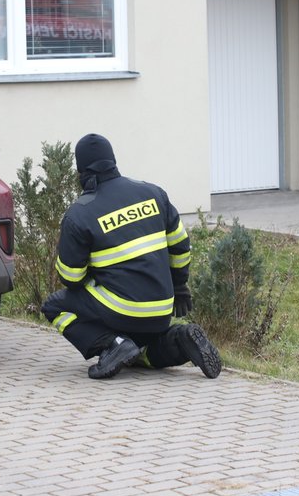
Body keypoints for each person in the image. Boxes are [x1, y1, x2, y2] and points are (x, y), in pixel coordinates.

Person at [41, 133, 222, 380]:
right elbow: (180, 246)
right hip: (161, 307)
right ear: (113, 161)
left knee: (54, 306)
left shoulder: (79, 214)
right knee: (141, 351)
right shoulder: (153, 194)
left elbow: (70, 277)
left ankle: (112, 344)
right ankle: (180, 339)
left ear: (80, 171)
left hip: (121, 309)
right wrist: (179, 286)